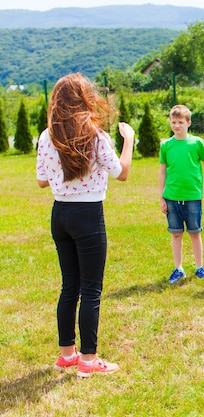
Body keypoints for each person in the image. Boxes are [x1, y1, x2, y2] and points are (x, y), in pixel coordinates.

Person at [36, 73, 134, 376]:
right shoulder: (95, 134)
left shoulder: (46, 135)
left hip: (60, 214)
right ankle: (89, 361)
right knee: (91, 290)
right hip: (88, 215)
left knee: (70, 287)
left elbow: (41, 181)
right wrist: (129, 139)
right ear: (84, 98)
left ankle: (67, 354)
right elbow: (122, 173)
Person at [159, 105, 204, 284]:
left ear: (188, 123)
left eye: (180, 122)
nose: (177, 125)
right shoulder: (166, 145)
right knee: (176, 234)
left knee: (195, 232)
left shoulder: (197, 142)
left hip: (192, 196)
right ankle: (178, 268)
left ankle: (199, 267)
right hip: (172, 197)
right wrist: (161, 197)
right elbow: (162, 172)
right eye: (173, 122)